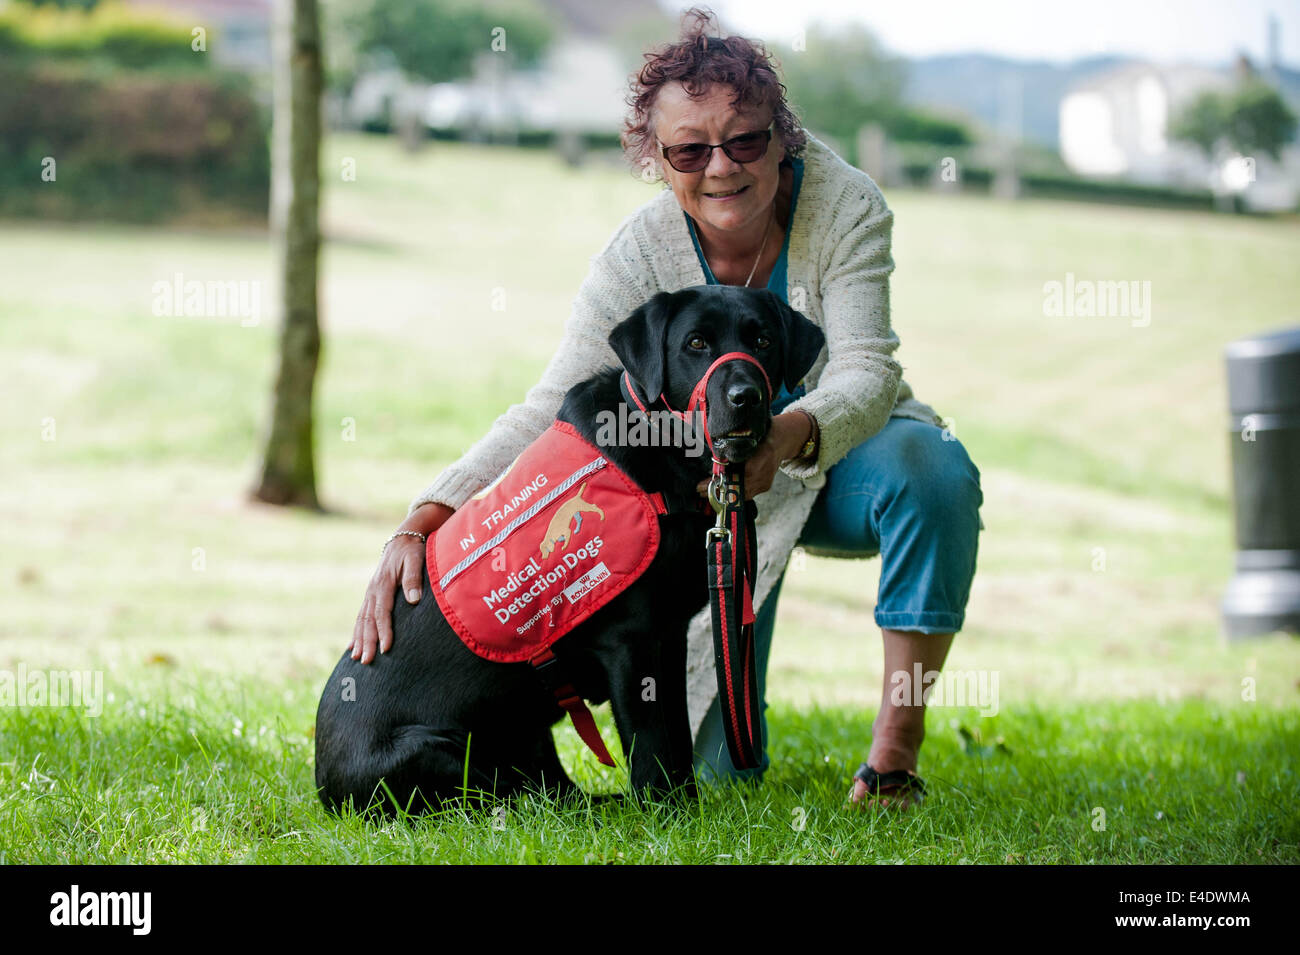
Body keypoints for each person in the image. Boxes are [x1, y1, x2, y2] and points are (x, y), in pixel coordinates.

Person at [347, 8, 982, 810]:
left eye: (744, 139)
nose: (720, 166)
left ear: (781, 136)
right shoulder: (637, 255)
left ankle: (892, 761)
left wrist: (785, 437)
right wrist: (426, 513)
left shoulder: (847, 205)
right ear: (659, 160)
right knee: (715, 777)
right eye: (690, 149)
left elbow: (865, 370)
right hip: (709, 515)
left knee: (934, 469)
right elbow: (551, 407)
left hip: (832, 452)